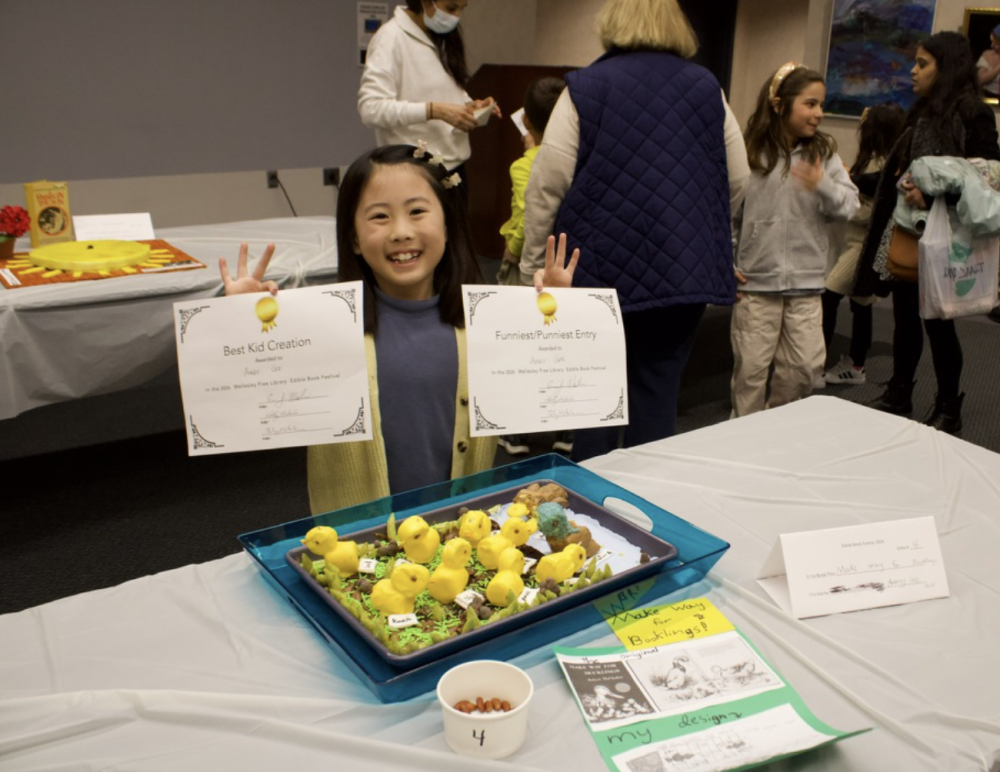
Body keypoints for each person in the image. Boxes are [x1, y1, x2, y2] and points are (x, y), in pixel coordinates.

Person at [221, 145, 578, 514]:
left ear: (447, 223)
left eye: (417, 211)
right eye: (379, 216)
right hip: (357, 541)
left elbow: (545, 393)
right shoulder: (323, 330)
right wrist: (243, 326)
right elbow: (249, 403)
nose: (401, 231)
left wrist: (553, 323)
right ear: (354, 238)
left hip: (458, 530)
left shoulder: (487, 324)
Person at [519, 0, 750, 462]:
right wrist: (698, 231)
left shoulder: (585, 88)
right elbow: (740, 178)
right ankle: (650, 513)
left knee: (594, 400)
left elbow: (547, 185)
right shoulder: (707, 88)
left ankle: (588, 514)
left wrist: (533, 269)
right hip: (682, 273)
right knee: (658, 395)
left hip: (597, 274)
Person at [854, 31, 1000, 434]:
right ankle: (900, 392)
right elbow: (901, 168)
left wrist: (932, 191)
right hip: (908, 233)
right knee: (904, 319)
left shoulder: (972, 111)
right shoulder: (923, 110)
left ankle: (949, 407)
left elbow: (989, 175)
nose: (913, 71)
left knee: (939, 322)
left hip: (945, 236)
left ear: (946, 67)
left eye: (922, 63)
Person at [730, 63, 859, 417]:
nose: (819, 113)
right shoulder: (748, 152)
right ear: (778, 104)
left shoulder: (824, 154)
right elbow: (727, 213)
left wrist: (823, 185)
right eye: (810, 104)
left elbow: (850, 206)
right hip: (756, 286)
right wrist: (726, 261)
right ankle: (741, 440)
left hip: (806, 283)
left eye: (821, 104)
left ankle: (773, 426)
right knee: (750, 376)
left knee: (804, 370)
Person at [496, 75, 568, 458]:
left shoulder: (524, 165)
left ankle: (518, 435)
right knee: (562, 347)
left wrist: (512, 250)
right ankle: (565, 431)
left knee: (522, 350)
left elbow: (526, 216)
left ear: (528, 123)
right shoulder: (579, 157)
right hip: (569, 269)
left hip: (531, 268)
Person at [357, 1, 500, 187]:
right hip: (413, 173)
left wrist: (468, 105)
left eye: (461, 8)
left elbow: (443, 87)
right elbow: (371, 109)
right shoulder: (390, 38)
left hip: (452, 169)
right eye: (451, 8)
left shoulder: (440, 36)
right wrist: (435, 110)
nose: (456, 16)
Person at [821, 104, 905, 386]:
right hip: (859, 242)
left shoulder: (885, 166)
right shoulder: (881, 160)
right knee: (861, 302)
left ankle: (815, 363)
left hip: (863, 244)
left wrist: (847, 182)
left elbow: (872, 192)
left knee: (829, 294)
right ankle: (855, 365)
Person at [976, 25, 1000, 99]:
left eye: (995, 43)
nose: (991, 45)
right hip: (985, 100)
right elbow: (979, 80)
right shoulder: (987, 54)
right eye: (992, 42)